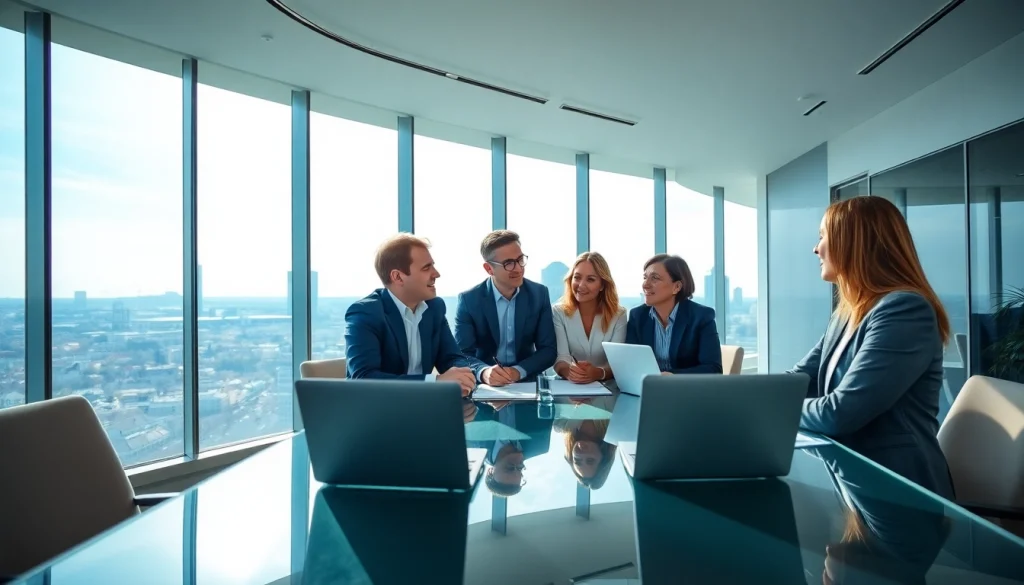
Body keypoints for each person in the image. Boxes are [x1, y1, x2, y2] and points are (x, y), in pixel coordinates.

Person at [791, 195, 954, 499]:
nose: (816, 248)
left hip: (901, 492)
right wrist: (744, 395)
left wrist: (773, 408)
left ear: (854, 243)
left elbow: (840, 413)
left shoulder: (904, 310)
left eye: (823, 236)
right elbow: (799, 380)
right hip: (854, 478)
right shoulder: (846, 314)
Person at [344, 233, 484, 395]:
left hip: (424, 408)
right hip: (377, 412)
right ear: (398, 277)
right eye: (426, 268)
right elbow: (363, 379)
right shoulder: (366, 313)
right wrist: (435, 382)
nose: (436, 274)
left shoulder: (434, 308)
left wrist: (462, 375)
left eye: (433, 265)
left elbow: (451, 357)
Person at [455, 230, 557, 384]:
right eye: (508, 263)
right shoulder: (469, 300)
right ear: (489, 269)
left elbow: (548, 350)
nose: (518, 268)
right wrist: (484, 372)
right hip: (487, 386)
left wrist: (518, 371)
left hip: (526, 381)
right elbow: (462, 354)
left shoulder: (539, 294)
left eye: (520, 259)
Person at [625, 254, 722, 374]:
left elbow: (713, 369)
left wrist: (673, 376)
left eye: (655, 278)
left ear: (676, 287)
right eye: (645, 277)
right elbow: (630, 362)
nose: (645, 284)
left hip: (686, 390)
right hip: (647, 388)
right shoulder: (638, 316)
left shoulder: (701, 316)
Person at [552, 252, 627, 383]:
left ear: (602, 285)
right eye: (577, 277)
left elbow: (617, 362)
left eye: (590, 279)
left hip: (607, 389)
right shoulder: (558, 312)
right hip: (569, 386)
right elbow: (561, 358)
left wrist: (598, 373)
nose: (581, 285)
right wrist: (572, 373)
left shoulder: (618, 315)